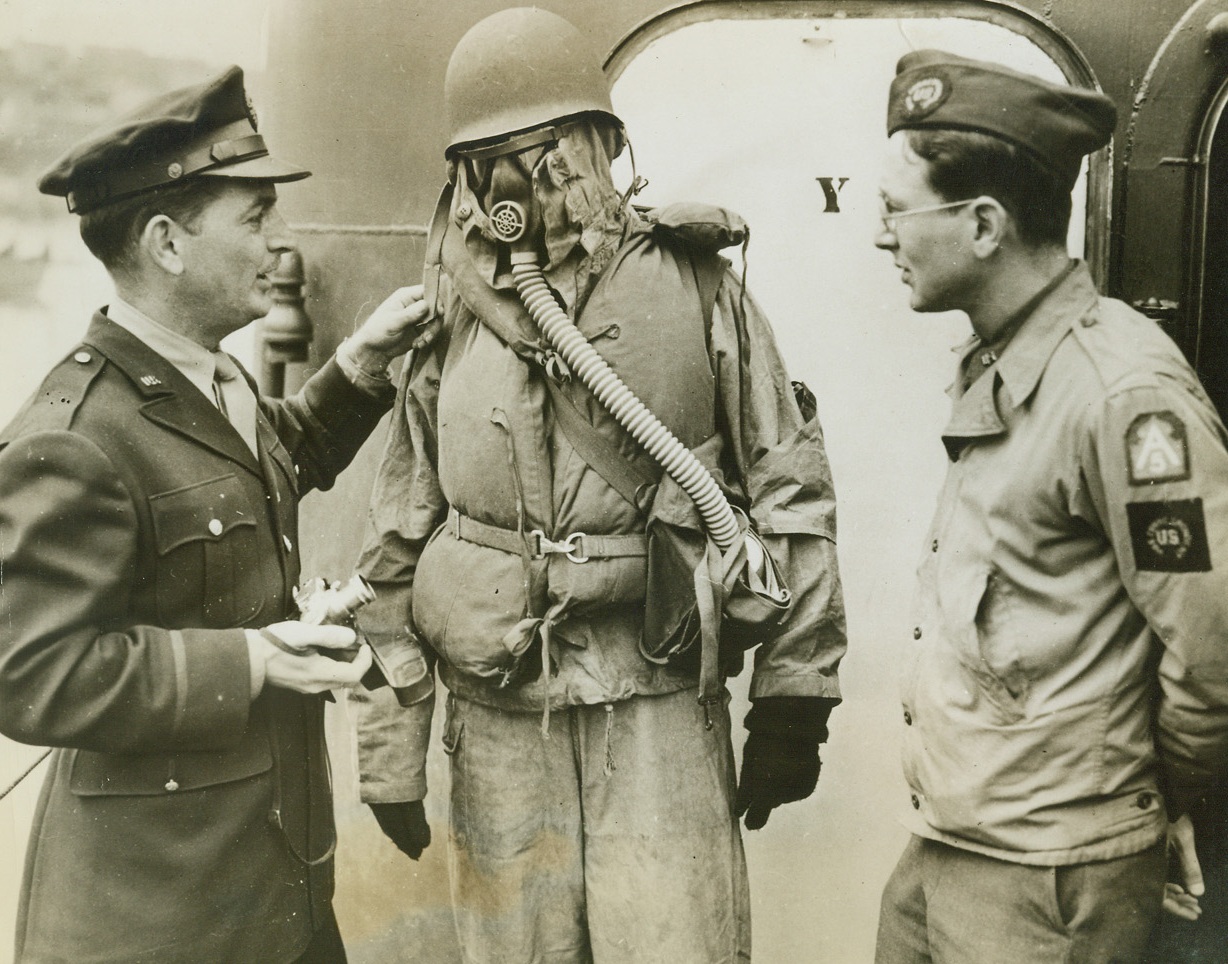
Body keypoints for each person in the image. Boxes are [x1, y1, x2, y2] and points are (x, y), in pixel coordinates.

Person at [350, 8, 847, 963]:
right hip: (499, 711)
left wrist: (795, 697)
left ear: (599, 146)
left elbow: (791, 485)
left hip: (655, 701)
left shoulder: (697, 288)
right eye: (489, 160)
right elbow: (401, 520)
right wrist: (390, 748)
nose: (517, 182)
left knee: (675, 946)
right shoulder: (455, 306)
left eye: (541, 152)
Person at [0, 66, 430, 963]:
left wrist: (358, 367)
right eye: (256, 216)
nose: (282, 240)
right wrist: (254, 659)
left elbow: (258, 469)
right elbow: (31, 673)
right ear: (167, 243)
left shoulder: (207, 373)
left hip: (279, 894)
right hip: (159, 921)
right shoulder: (75, 437)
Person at [872, 50, 1228, 964]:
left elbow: (1214, 643)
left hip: (1052, 877)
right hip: (955, 840)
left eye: (894, 211)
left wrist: (1155, 798)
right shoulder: (1003, 361)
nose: (881, 238)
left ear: (983, 224)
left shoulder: (1122, 394)